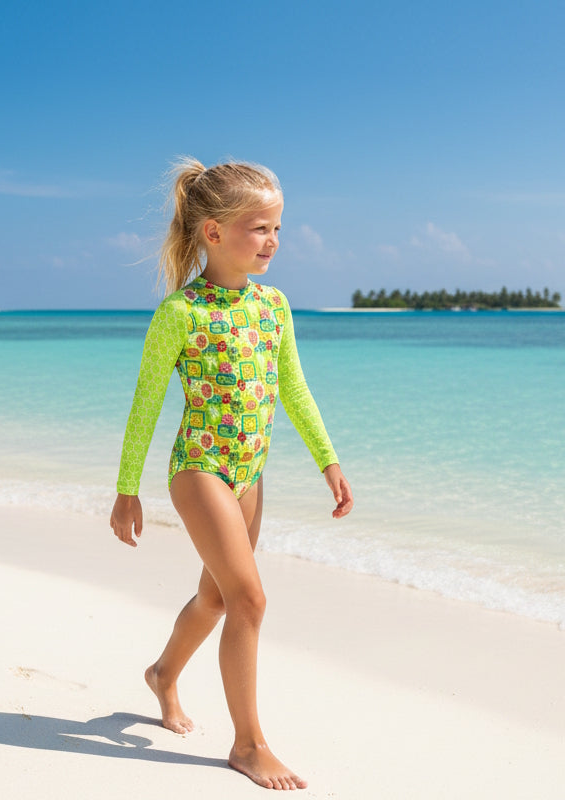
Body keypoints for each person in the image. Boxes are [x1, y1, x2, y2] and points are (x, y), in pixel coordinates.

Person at [110, 157, 353, 791]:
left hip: (251, 471)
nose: (273, 241)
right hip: (200, 467)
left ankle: (163, 674)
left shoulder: (273, 306)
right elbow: (145, 403)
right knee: (250, 599)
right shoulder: (181, 312)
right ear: (213, 232)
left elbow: (293, 387)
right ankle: (248, 745)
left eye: (278, 229)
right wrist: (127, 488)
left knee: (217, 597)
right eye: (259, 228)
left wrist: (327, 459)